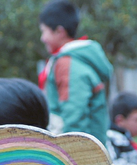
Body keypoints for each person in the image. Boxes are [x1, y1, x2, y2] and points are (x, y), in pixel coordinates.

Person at [38, 0, 113, 145]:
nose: (42, 38)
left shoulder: (68, 64)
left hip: (82, 153)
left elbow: (74, 114)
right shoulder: (72, 60)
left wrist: (69, 152)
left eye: (44, 31)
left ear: (59, 31)